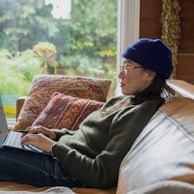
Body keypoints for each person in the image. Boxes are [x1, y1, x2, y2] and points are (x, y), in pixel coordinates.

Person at [0, 38, 175, 189]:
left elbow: (102, 174)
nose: (120, 74)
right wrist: (53, 134)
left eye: (128, 67)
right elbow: (86, 138)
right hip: (60, 155)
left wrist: (53, 147)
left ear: (150, 74)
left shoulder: (139, 113)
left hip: (69, 171)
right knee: (9, 139)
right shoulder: (122, 100)